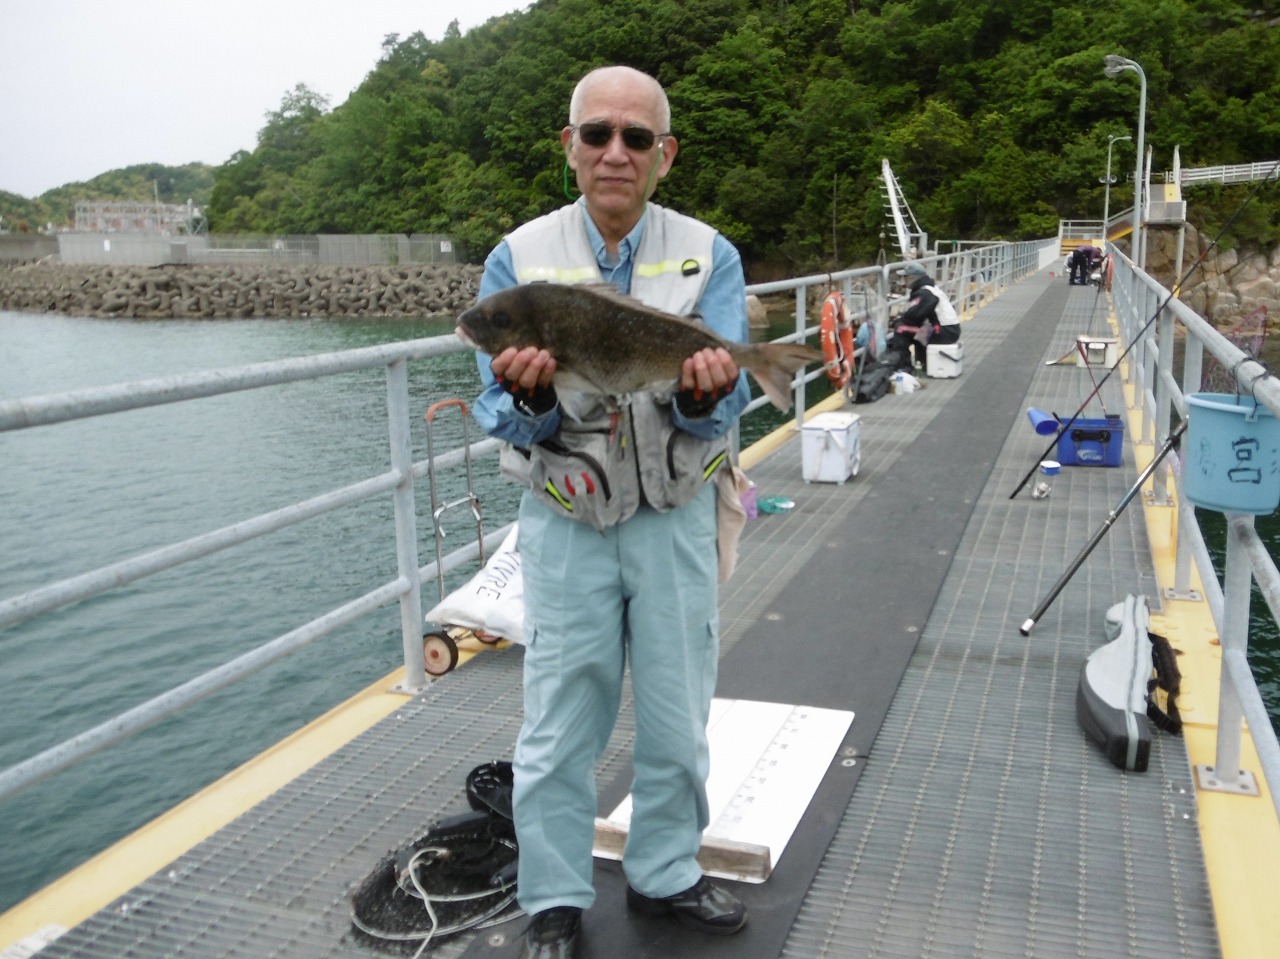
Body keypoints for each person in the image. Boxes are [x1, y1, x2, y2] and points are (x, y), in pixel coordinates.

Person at [469, 65, 751, 959]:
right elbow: (496, 409)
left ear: (666, 155)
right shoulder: (517, 259)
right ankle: (552, 894)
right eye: (597, 134)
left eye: (637, 137)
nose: (615, 152)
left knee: (677, 711)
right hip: (567, 515)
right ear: (570, 148)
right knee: (559, 717)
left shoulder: (711, 253)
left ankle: (666, 871)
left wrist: (708, 396)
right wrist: (531, 400)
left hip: (674, 512)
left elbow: (725, 408)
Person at [886, 262, 959, 373]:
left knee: (901, 329)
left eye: (905, 277)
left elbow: (913, 317)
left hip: (944, 331)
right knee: (916, 331)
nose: (903, 280)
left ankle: (904, 368)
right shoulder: (930, 289)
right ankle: (923, 363)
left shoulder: (924, 293)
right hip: (949, 329)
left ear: (912, 278)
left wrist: (898, 321)